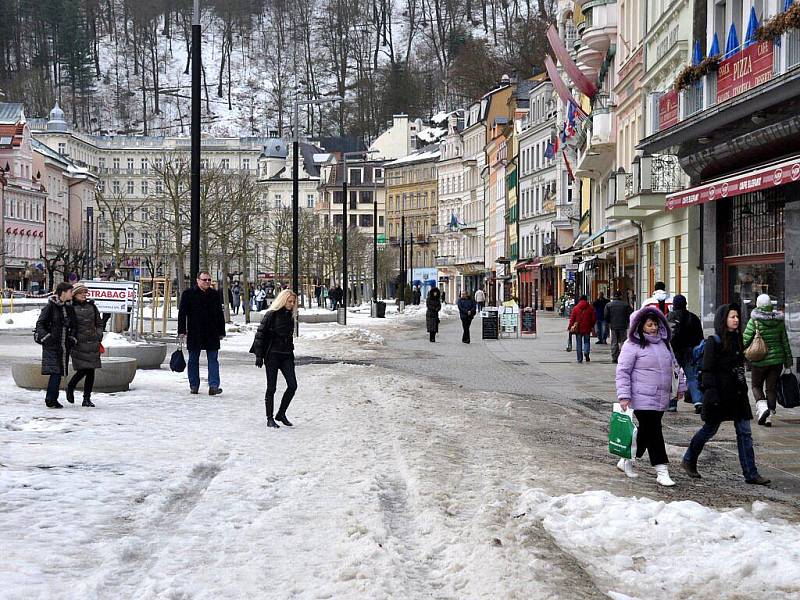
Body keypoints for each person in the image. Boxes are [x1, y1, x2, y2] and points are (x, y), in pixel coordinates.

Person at [682, 304, 770, 485]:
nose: (736, 320)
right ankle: (689, 459)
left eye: (737, 316)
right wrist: (711, 394)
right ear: (723, 319)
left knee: (745, 433)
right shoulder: (713, 341)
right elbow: (707, 370)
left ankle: (751, 473)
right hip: (718, 396)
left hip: (737, 395)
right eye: (732, 317)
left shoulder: (737, 339)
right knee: (709, 430)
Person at [616, 307, 686, 484]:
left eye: (655, 324)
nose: (653, 328)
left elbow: (674, 367)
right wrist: (624, 396)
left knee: (647, 432)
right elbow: (623, 371)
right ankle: (661, 469)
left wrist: (680, 388)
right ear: (640, 326)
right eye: (649, 324)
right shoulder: (632, 345)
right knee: (654, 431)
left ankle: (627, 459)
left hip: (661, 396)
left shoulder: (664, 343)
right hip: (640, 397)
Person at [744, 294, 794, 427]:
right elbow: (785, 342)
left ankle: (762, 407)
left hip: (759, 360)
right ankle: (769, 416)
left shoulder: (754, 321)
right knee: (771, 389)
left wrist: (739, 353)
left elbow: (745, 340)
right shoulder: (779, 321)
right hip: (777, 362)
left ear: (758, 305)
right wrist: (788, 363)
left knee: (756, 385)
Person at [250, 289, 298, 429]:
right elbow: (260, 335)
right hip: (272, 355)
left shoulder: (290, 316)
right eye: (289, 301)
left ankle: (281, 413)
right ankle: (269, 418)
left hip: (287, 355)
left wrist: (291, 351)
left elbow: (288, 337)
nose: (292, 304)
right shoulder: (271, 315)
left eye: (293, 302)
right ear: (283, 300)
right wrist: (259, 356)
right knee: (271, 387)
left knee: (292, 385)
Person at [178, 270, 227, 396]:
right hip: (195, 331)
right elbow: (182, 314)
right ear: (198, 280)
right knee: (193, 359)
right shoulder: (188, 294)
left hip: (212, 332)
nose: (207, 282)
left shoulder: (215, 295)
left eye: (209, 280)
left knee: (213, 359)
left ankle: (214, 385)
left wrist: (222, 331)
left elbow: (219, 314)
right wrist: (182, 331)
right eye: (204, 280)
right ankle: (194, 385)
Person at [34, 282, 75, 409]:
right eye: (70, 292)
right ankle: (51, 399)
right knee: (56, 372)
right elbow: (40, 325)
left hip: (63, 345)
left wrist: (71, 337)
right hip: (52, 345)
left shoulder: (69, 307)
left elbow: (74, 326)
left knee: (58, 372)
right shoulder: (50, 307)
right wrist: (48, 338)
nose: (71, 294)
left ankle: (52, 398)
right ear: (63, 292)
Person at [65, 283, 103, 407]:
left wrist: (98, 335)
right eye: (81, 293)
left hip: (93, 342)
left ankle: (87, 398)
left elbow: (99, 323)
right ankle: (71, 386)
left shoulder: (92, 306)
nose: (84, 295)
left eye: (85, 293)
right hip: (78, 343)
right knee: (83, 369)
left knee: (91, 371)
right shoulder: (70, 308)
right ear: (75, 294)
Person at [666, 294, 704, 413]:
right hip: (689, 352)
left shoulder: (668, 317)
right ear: (685, 303)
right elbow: (700, 337)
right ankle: (698, 401)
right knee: (692, 377)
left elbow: (665, 336)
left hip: (674, 353)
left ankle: (672, 404)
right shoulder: (693, 317)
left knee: (674, 378)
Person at [605, 290, 633, 363]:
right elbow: (630, 315)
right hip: (623, 325)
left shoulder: (608, 305)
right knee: (623, 341)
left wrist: (609, 322)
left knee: (614, 341)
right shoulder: (625, 305)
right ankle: (623, 356)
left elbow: (606, 316)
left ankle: (614, 357)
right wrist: (627, 322)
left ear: (614, 296)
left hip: (613, 326)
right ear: (620, 296)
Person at [568, 295, 596, 363]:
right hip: (587, 328)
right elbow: (594, 319)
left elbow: (572, 319)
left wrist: (570, 327)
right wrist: (592, 325)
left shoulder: (576, 308)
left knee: (579, 344)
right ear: (586, 300)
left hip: (578, 328)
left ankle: (579, 359)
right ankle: (586, 352)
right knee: (586, 342)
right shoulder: (590, 308)